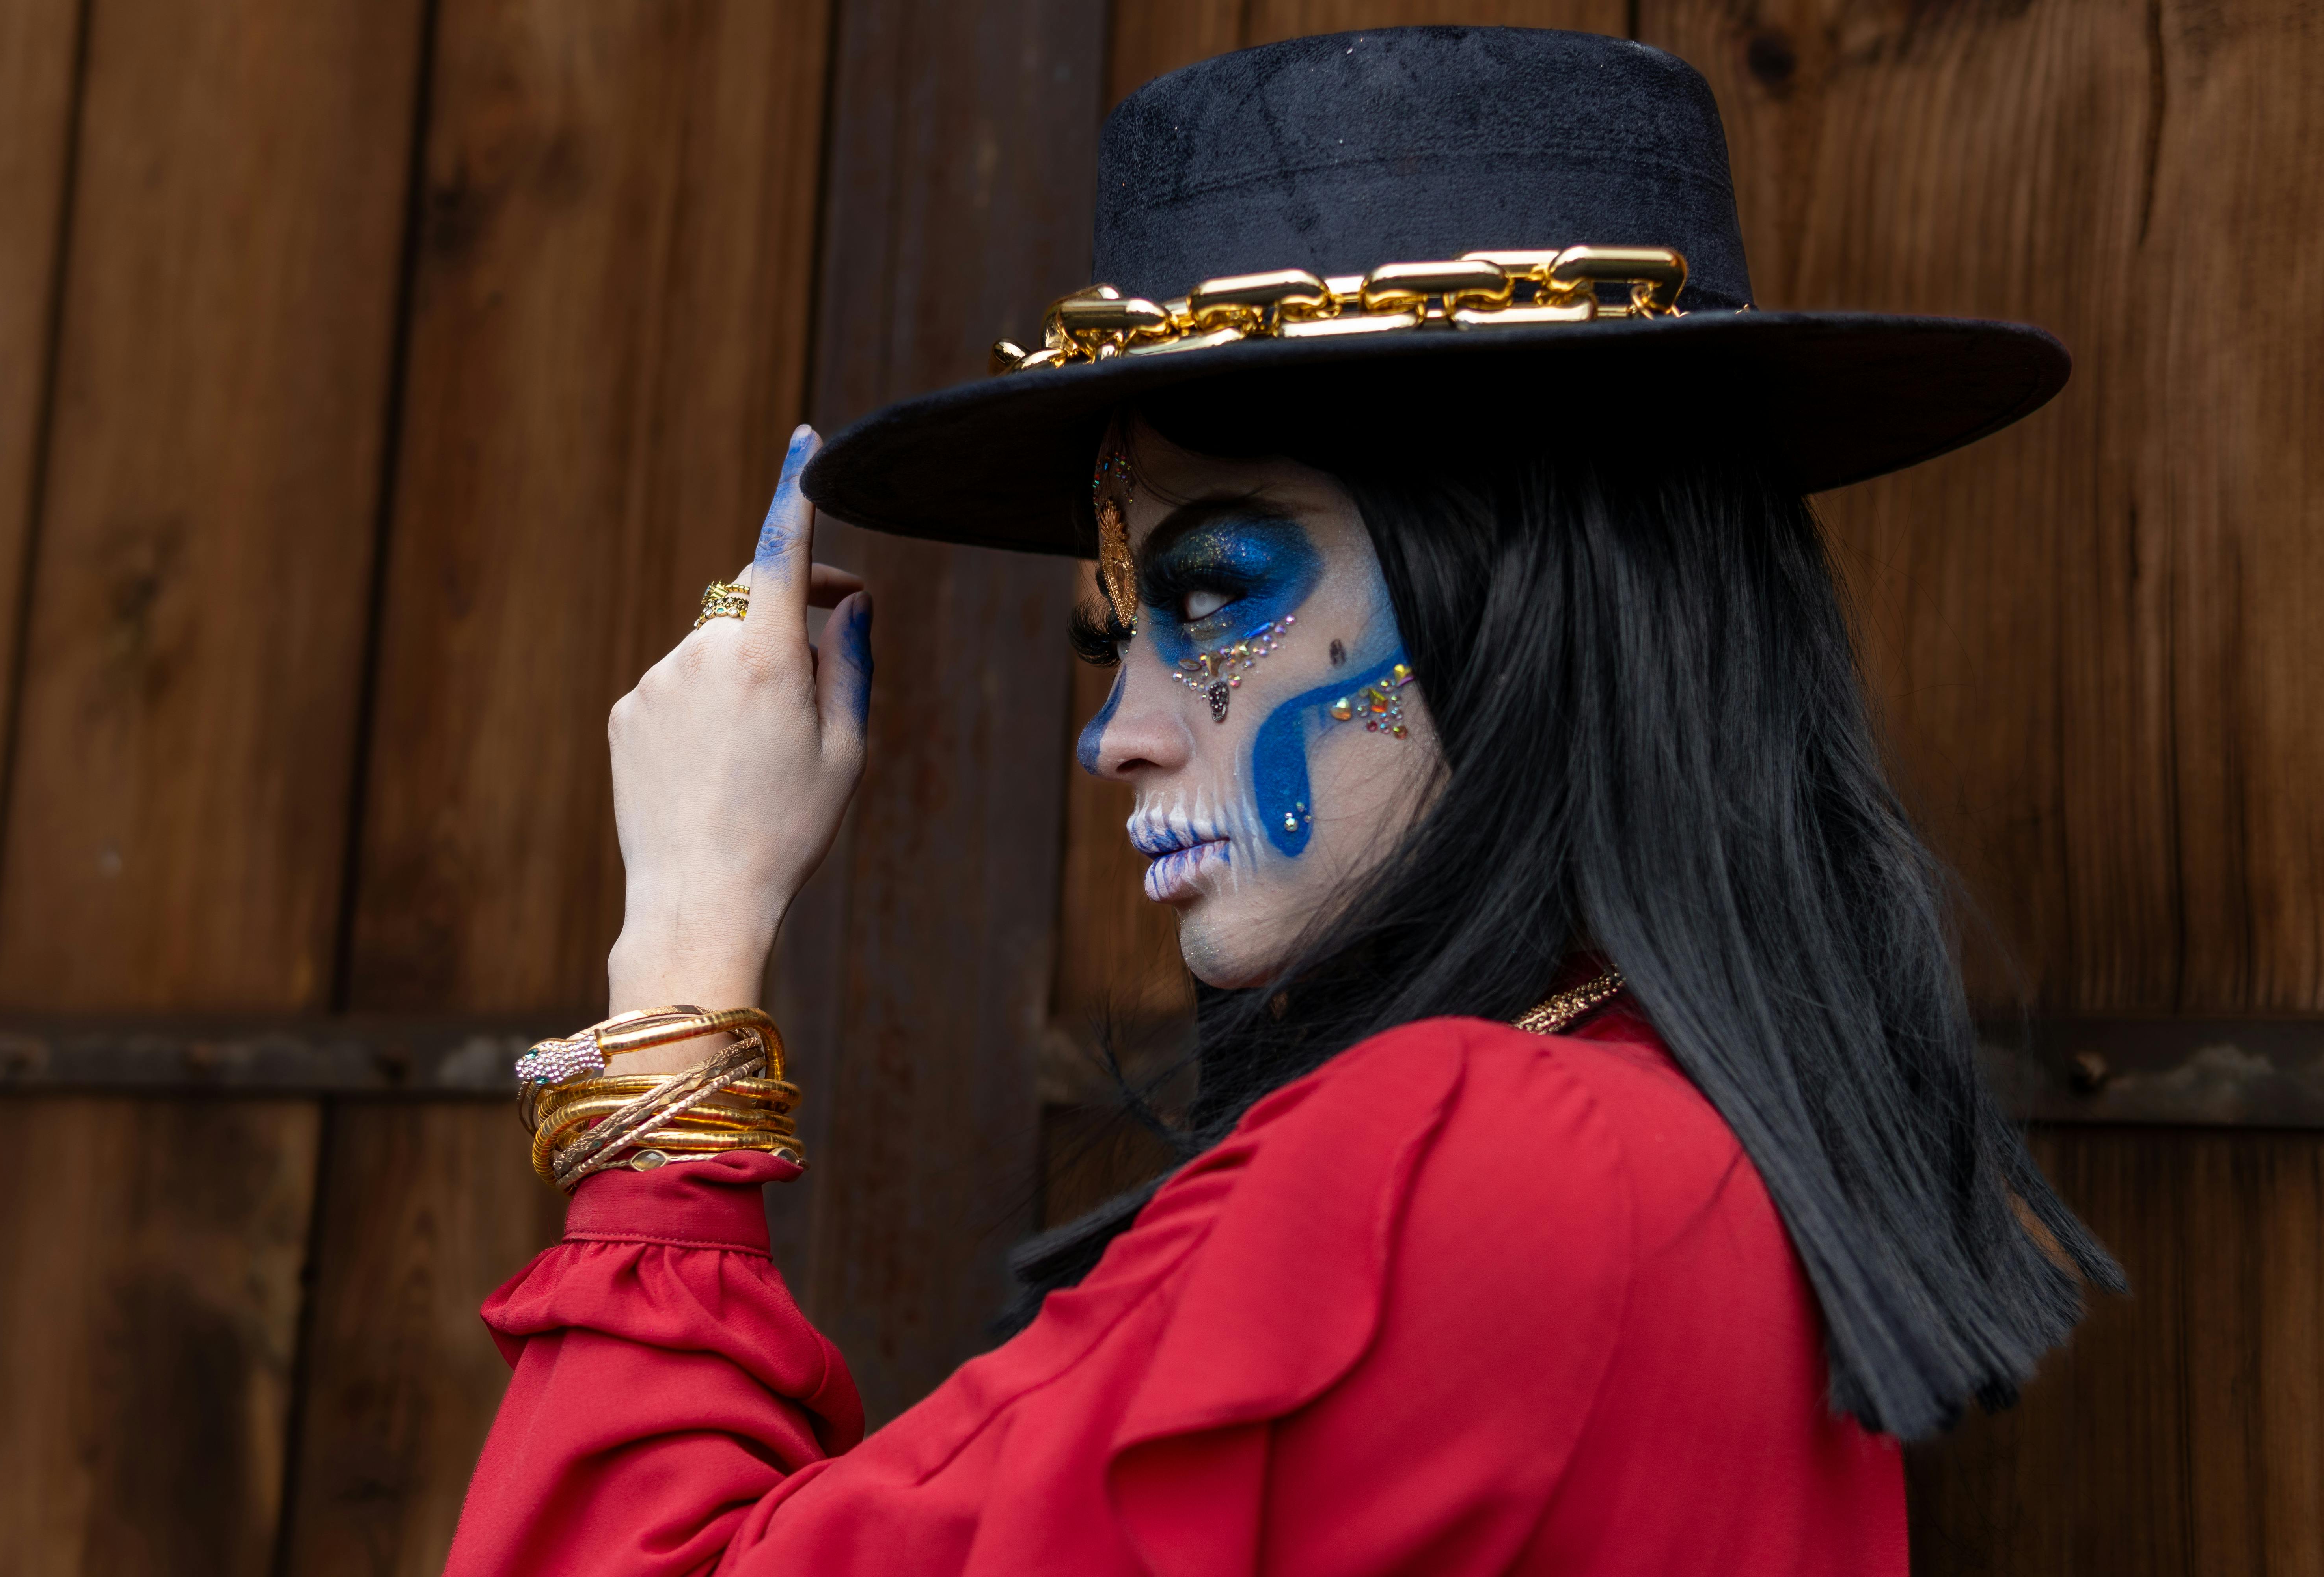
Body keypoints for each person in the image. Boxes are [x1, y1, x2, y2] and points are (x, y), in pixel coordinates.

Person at [447, 27, 2119, 1576]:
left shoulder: (1466, 1165)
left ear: (1525, 590)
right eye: (1117, 642)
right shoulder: (1680, 1134)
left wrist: (682, 945)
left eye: (1221, 596)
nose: (1120, 736)